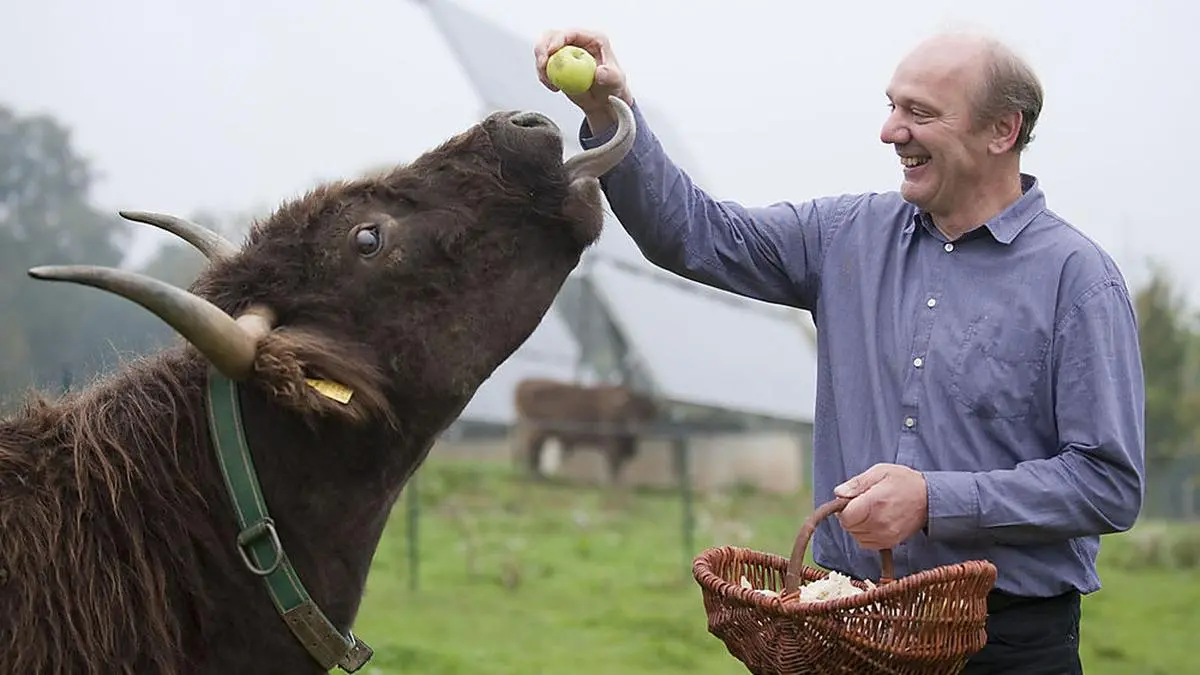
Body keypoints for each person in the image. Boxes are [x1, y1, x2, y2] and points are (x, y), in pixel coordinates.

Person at [535, 28, 1145, 674]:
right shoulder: (843, 237)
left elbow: (1107, 482)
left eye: (920, 112)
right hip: (849, 630)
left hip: (1008, 647)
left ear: (1002, 130)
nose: (891, 131)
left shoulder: (1078, 281)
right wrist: (608, 110)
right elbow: (693, 233)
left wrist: (934, 499)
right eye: (892, 105)